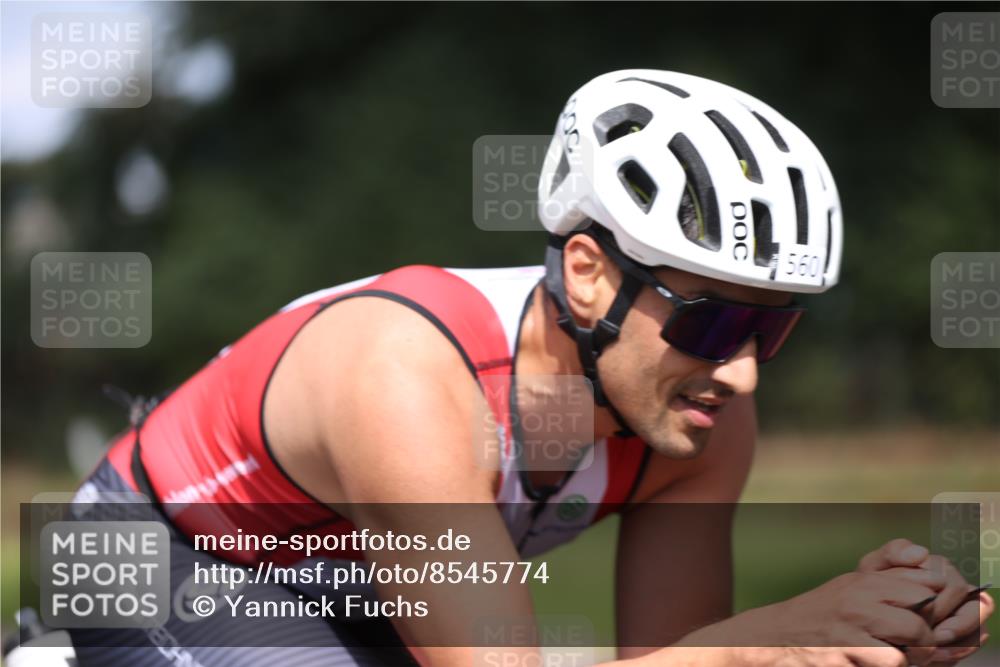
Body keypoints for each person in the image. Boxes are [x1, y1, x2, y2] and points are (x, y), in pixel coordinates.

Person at [59, 70, 991, 666]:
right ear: (587, 273)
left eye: (773, 331)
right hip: (169, 554)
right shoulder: (408, 378)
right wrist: (771, 648)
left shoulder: (699, 412)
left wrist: (868, 637)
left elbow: (670, 659)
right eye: (716, 323)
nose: (743, 373)